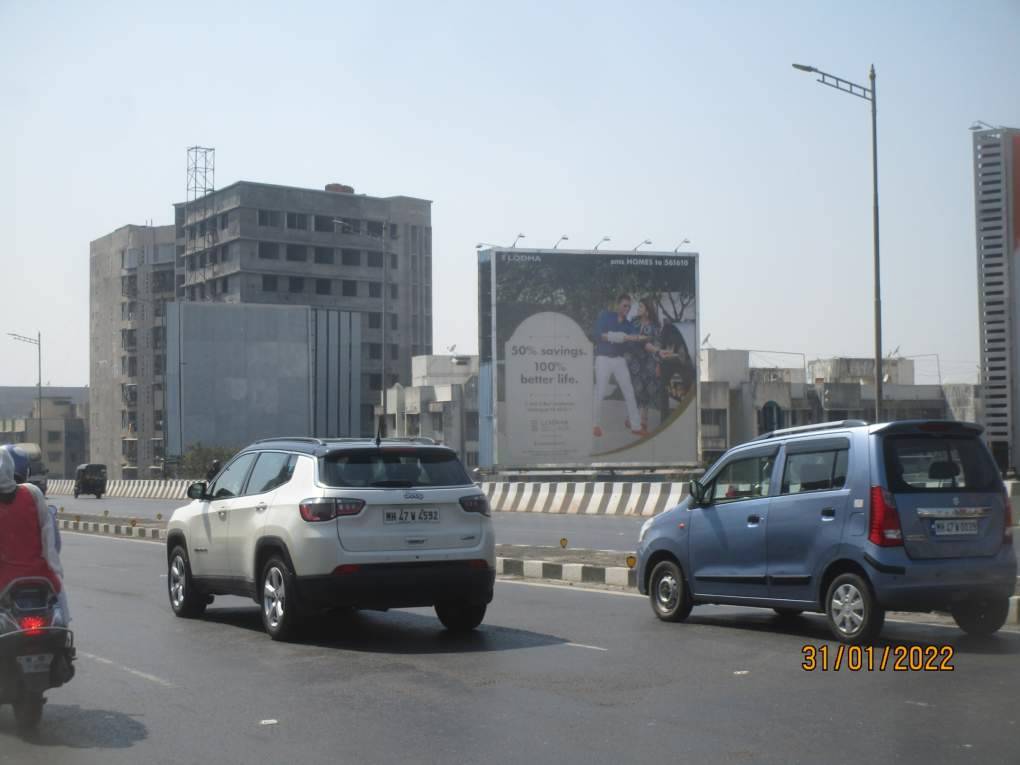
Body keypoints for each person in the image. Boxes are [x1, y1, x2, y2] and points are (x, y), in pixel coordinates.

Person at [0, 447, 69, 625]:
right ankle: (66, 636)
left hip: (4, 580)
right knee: (59, 597)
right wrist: (54, 567)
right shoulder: (32, 492)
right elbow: (50, 541)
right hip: (42, 576)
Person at [592, 293, 642, 438]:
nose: (627, 308)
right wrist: (621, 337)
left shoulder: (628, 324)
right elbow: (598, 334)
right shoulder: (606, 316)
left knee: (629, 391)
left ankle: (636, 426)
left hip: (619, 360)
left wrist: (636, 339)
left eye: (629, 306)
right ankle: (595, 425)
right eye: (624, 305)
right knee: (599, 392)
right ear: (618, 305)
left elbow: (633, 340)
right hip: (603, 359)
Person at [625, 297, 665, 436]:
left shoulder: (654, 327)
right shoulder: (633, 323)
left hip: (648, 363)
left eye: (641, 307)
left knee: (646, 393)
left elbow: (658, 346)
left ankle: (643, 423)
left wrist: (658, 364)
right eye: (638, 307)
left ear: (647, 310)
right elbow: (627, 338)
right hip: (634, 363)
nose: (638, 309)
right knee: (635, 390)